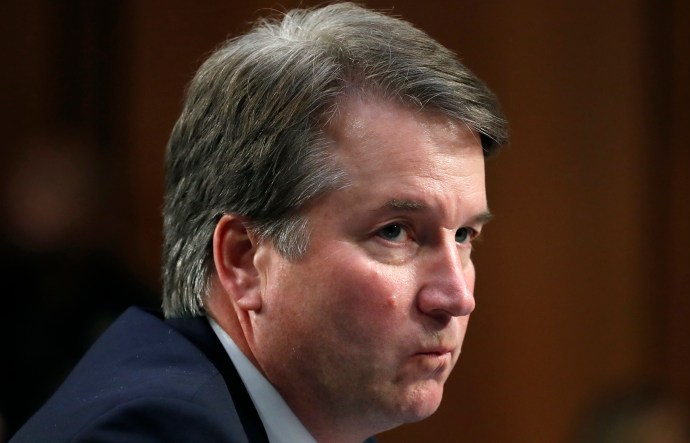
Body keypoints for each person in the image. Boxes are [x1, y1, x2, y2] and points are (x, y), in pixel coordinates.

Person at [11, 3, 507, 442]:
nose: (457, 297)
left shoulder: (297, 421)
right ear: (245, 260)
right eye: (395, 231)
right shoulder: (154, 431)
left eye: (464, 235)